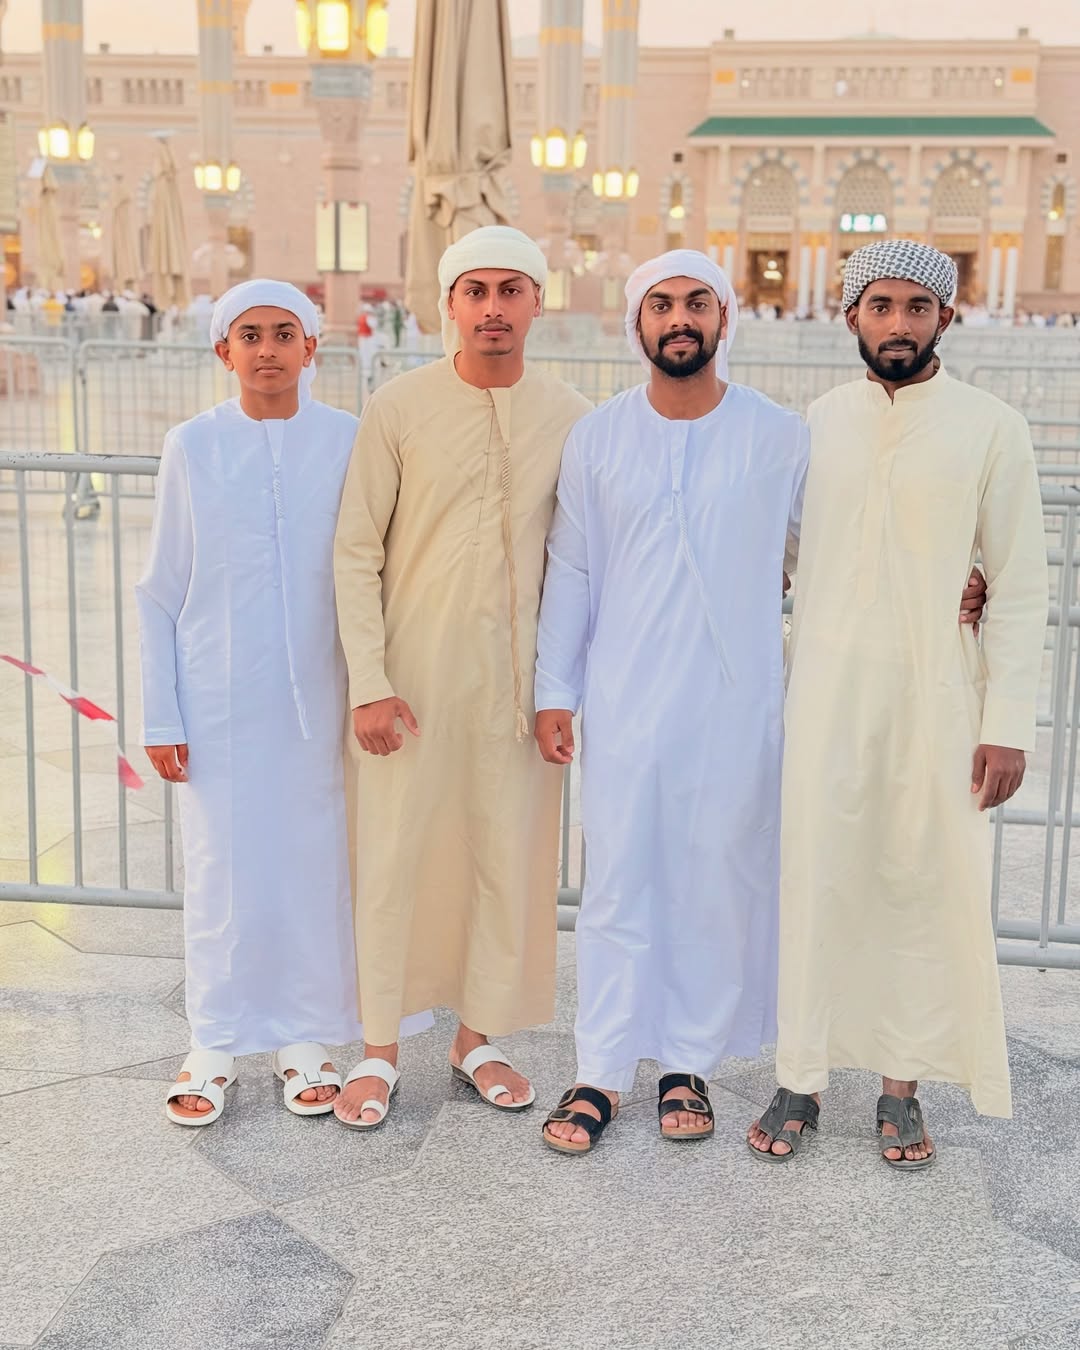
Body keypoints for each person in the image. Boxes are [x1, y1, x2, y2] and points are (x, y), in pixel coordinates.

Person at [748, 240, 1049, 1169]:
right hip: (824, 696)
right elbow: (776, 551)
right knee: (818, 877)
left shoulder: (991, 427)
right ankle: (799, 1076)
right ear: (851, 316)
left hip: (936, 701)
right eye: (880, 305)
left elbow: (1021, 583)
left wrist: (1006, 727)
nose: (899, 324)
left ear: (946, 319)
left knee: (916, 882)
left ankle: (900, 1088)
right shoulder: (818, 424)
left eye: (919, 308)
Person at [533, 251, 808, 1154]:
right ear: (638, 322)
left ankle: (688, 1063)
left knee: (712, 881)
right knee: (618, 880)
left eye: (697, 302)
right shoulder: (598, 437)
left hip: (736, 704)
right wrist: (554, 689)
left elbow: (831, 548)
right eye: (662, 305)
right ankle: (601, 1069)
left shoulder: (778, 434)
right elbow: (572, 568)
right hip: (625, 698)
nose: (680, 319)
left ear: (725, 318)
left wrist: (955, 582)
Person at [332, 226, 591, 1129]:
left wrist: (560, 692)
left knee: (503, 855)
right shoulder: (399, 406)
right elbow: (355, 551)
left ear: (537, 302)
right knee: (395, 856)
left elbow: (591, 555)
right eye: (474, 291)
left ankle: (477, 1037)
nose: (492, 308)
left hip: (517, 690)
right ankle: (377, 1049)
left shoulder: (571, 415)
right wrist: (368, 680)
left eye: (510, 290)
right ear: (448, 304)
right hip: (410, 680)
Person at [136, 279, 380, 1126]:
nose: (268, 349)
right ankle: (213, 1041)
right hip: (219, 700)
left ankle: (305, 1037)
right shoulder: (193, 444)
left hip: (323, 697)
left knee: (314, 866)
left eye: (284, 333)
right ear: (224, 351)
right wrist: (161, 712)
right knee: (222, 868)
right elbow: (159, 589)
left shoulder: (348, 439)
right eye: (251, 335)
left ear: (312, 347)